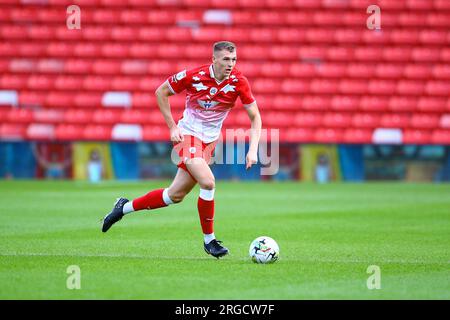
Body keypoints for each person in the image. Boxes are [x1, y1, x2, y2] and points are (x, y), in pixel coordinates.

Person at [101, 41, 262, 259]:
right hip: (187, 136)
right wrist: (172, 126)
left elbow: (255, 117)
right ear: (213, 59)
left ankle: (123, 208)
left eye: (233, 59)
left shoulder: (239, 82)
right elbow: (161, 92)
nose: (230, 64)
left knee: (173, 196)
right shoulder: (193, 76)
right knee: (208, 182)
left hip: (209, 142)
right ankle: (209, 241)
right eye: (225, 59)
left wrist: (253, 150)